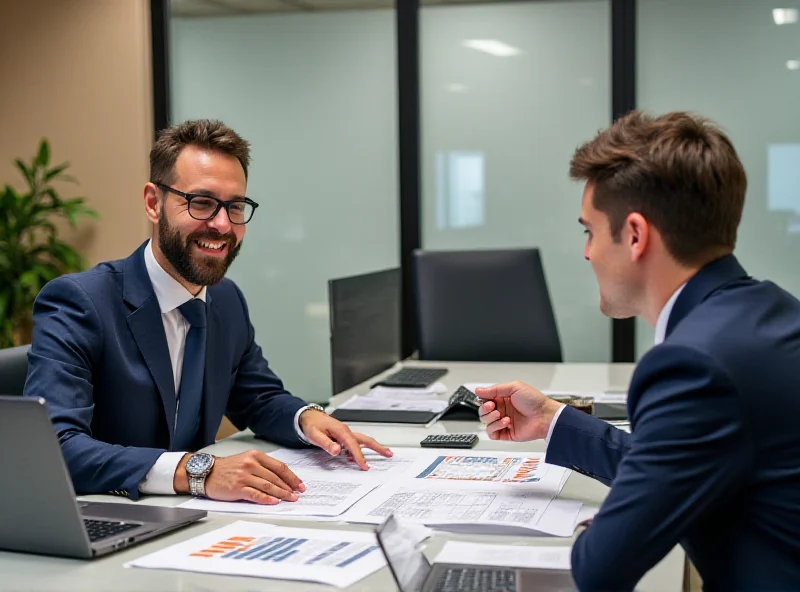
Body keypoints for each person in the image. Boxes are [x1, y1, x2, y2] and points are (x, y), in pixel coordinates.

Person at [477, 111, 800, 590]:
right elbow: (682, 464)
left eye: (589, 231)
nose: (587, 253)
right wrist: (551, 419)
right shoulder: (770, 309)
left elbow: (601, 567)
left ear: (634, 235)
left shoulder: (694, 364)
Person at [24, 119, 391, 504]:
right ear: (154, 203)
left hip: (195, 520)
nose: (221, 225)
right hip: (110, 517)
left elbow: (258, 398)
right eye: (201, 202)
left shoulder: (226, 300)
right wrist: (198, 472)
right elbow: (54, 447)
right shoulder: (79, 302)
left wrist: (309, 420)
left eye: (235, 207)